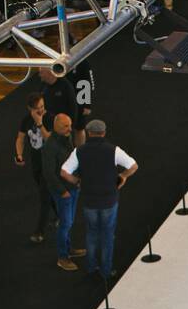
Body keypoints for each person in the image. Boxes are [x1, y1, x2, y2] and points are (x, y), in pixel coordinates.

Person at [59, 119, 138, 279]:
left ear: (88, 133)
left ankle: (90, 267)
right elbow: (133, 166)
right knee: (107, 235)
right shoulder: (113, 150)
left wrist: (77, 181)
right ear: (104, 132)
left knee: (92, 233)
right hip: (109, 200)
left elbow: (64, 172)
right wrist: (122, 176)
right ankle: (106, 271)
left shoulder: (79, 151)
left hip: (89, 201)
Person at [42, 112, 86, 270]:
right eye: (65, 126)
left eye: (69, 125)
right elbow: (48, 173)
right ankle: (62, 257)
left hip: (73, 188)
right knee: (65, 224)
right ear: (56, 128)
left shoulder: (66, 138)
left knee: (69, 222)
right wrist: (62, 191)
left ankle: (68, 249)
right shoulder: (50, 147)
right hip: (63, 192)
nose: (70, 129)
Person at [14, 92, 53, 243]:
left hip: (49, 163)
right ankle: (60, 215)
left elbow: (49, 140)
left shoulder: (50, 118)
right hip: (36, 162)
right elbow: (20, 139)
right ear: (30, 109)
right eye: (37, 109)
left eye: (43, 107)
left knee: (44, 196)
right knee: (46, 192)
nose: (41, 110)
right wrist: (19, 155)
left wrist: (39, 123)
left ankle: (39, 232)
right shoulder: (26, 120)